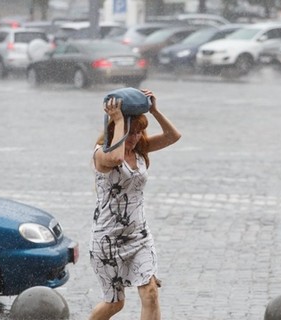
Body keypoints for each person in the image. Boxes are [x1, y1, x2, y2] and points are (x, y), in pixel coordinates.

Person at [89, 89, 181, 320]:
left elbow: (173, 136)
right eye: (132, 132)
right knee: (115, 304)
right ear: (115, 129)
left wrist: (155, 111)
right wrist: (118, 119)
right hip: (108, 239)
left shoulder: (140, 149)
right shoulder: (101, 154)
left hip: (139, 236)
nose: (136, 138)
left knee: (150, 293)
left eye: (140, 132)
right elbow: (117, 158)